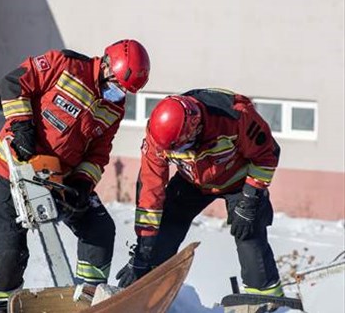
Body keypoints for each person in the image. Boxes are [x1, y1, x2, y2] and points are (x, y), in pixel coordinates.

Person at [0, 40, 151, 309]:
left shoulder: (113, 107)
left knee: (100, 229)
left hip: (60, 178)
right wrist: (22, 125)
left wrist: (83, 182)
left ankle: (87, 301)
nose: (118, 93)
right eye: (116, 85)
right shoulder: (65, 65)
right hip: (12, 168)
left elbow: (99, 152)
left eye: (124, 91)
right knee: (10, 255)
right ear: (106, 65)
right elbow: (13, 83)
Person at [116, 88, 284, 297]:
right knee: (165, 225)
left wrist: (250, 199)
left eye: (182, 148)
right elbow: (151, 188)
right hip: (192, 182)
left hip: (239, 182)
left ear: (196, 128)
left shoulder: (235, 115)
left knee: (248, 235)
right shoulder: (158, 135)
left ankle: (265, 299)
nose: (180, 154)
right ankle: (150, 288)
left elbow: (267, 154)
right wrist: (144, 247)